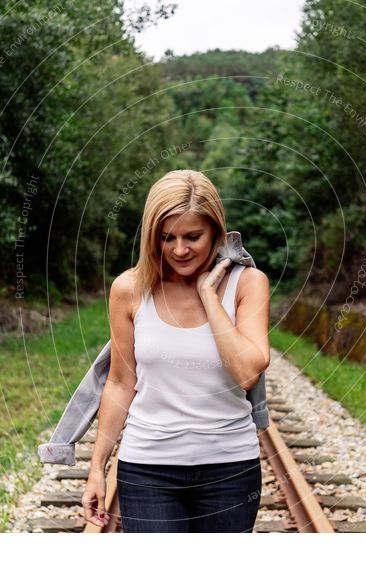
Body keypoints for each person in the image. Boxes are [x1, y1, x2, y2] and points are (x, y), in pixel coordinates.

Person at [81, 169, 271, 533]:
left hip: (230, 470)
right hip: (147, 470)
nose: (179, 250)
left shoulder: (248, 284)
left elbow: (248, 371)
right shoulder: (129, 289)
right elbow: (120, 383)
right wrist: (97, 468)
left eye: (192, 237)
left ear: (215, 231)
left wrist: (208, 296)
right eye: (167, 238)